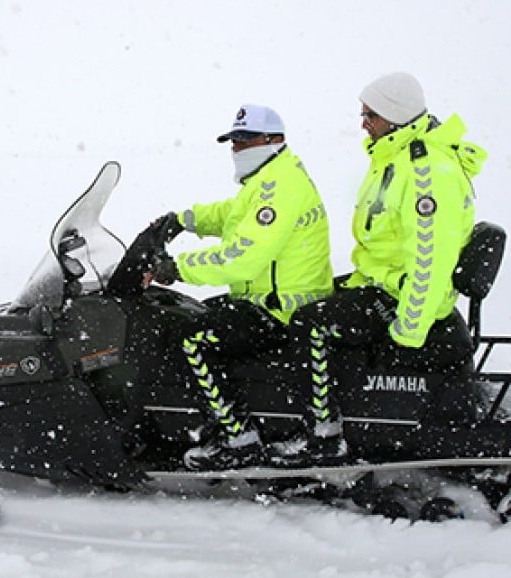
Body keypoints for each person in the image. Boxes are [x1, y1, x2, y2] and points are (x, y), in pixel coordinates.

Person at [287, 72, 488, 459]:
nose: (363, 123)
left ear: (395, 116)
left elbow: (430, 261)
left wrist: (407, 335)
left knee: (308, 323)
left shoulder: (425, 172)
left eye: (370, 115)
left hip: (398, 297)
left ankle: (324, 434)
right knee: (310, 299)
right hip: (381, 283)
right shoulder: (395, 157)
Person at [145, 104, 334, 470]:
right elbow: (233, 215)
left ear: (273, 140)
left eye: (246, 141)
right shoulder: (269, 179)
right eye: (234, 142)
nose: (237, 149)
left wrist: (177, 268)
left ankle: (238, 437)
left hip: (281, 310)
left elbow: (242, 257)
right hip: (261, 299)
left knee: (191, 339)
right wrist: (183, 220)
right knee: (191, 315)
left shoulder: (281, 187)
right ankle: (215, 420)